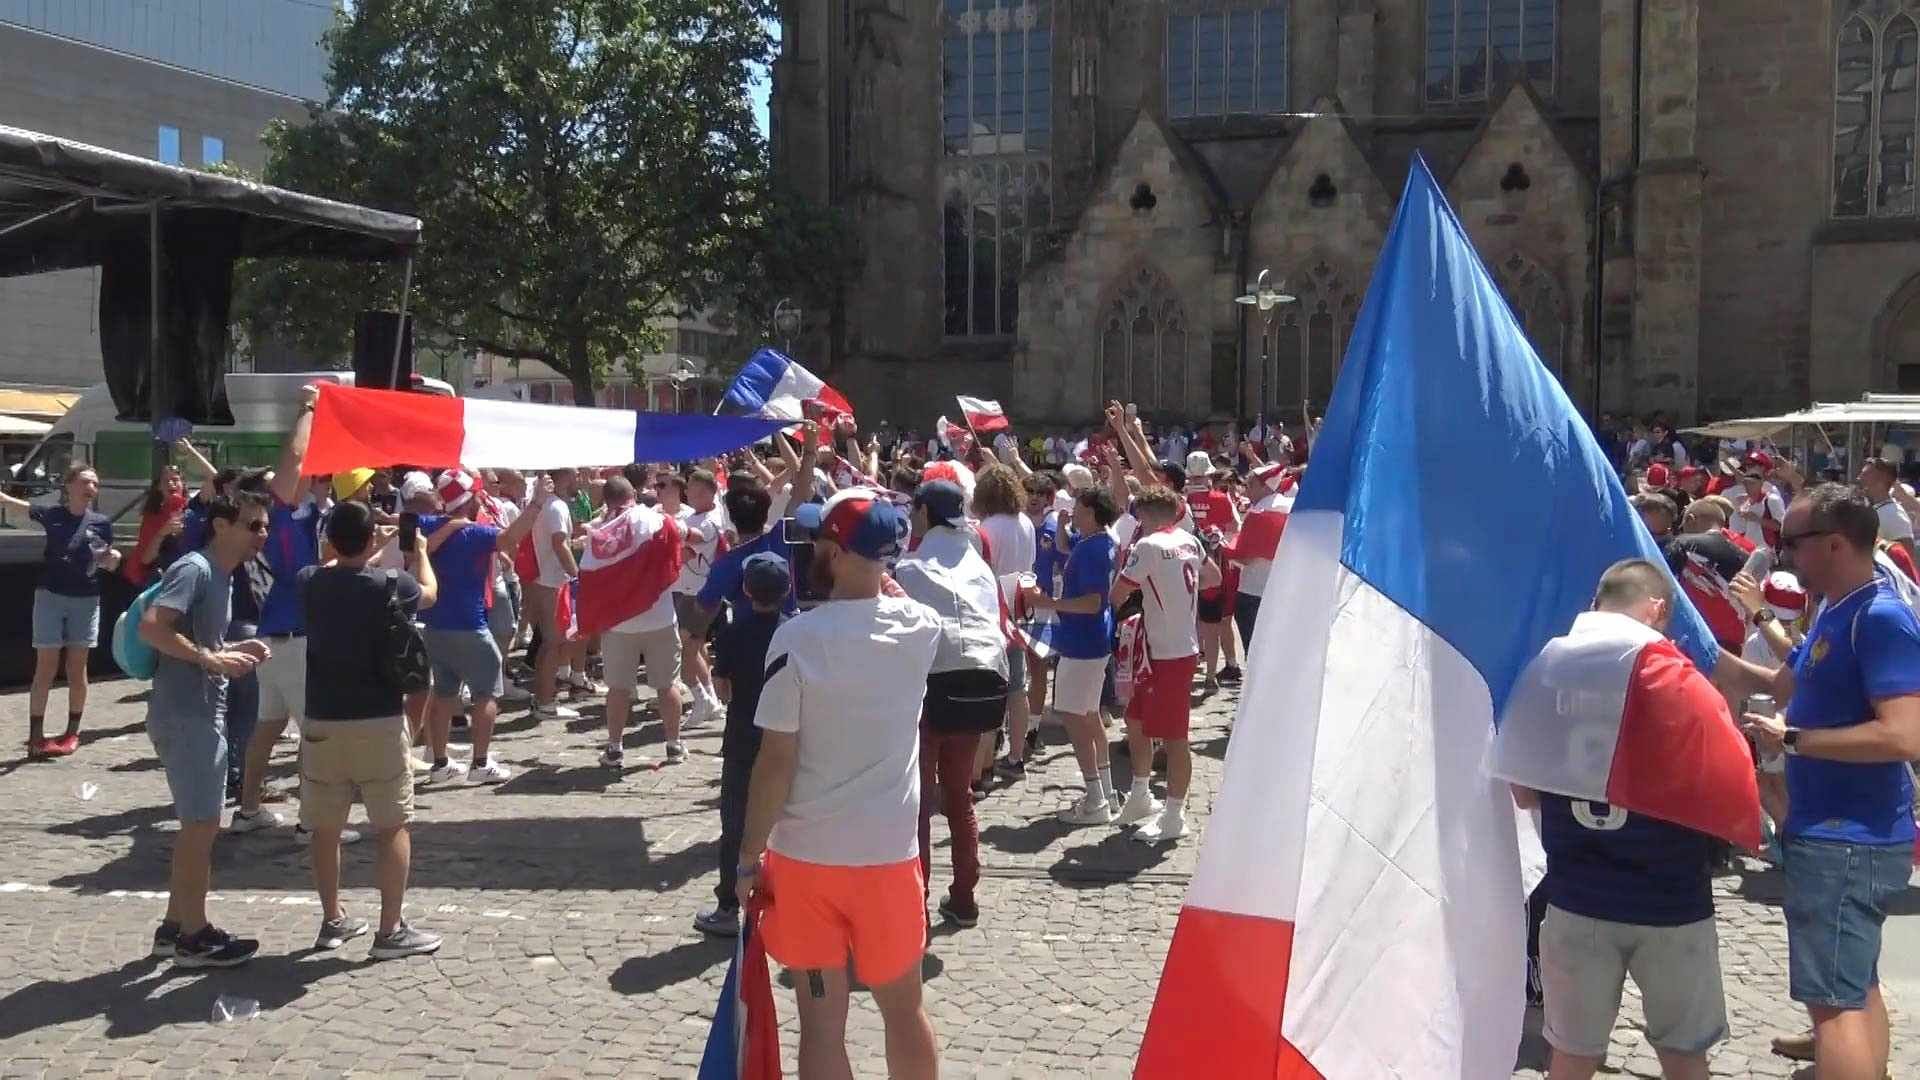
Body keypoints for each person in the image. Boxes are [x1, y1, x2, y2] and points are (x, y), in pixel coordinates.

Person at [736, 488, 942, 1080]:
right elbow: (895, 602)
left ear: (837, 551)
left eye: (825, 540)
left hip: (807, 858)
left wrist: (749, 856)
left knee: (821, 1022)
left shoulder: (797, 639)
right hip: (887, 855)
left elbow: (776, 758)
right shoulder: (921, 628)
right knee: (904, 1011)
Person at [1717, 485, 1920, 1080]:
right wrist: (1710, 657)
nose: (1782, 555)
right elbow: (1786, 687)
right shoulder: (1836, 605)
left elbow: (1905, 736)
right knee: (1855, 987)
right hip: (1837, 832)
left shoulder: (1880, 617)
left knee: (1833, 1008)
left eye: (1792, 543)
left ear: (1834, 544)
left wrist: (1795, 742)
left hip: (1848, 837)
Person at [1509, 559, 1732, 1080]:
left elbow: (1522, 793)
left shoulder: (1549, 670)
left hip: (1578, 896)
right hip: (1671, 901)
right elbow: (1721, 791)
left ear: (1596, 605)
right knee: (1683, 1056)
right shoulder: (1681, 679)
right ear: (1656, 609)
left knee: (1571, 1056)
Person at [297, 499, 446, 959]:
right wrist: (415, 549)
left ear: (329, 540)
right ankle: (390, 930)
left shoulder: (310, 583)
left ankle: (332, 920)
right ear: (367, 540)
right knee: (392, 825)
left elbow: (331, 564)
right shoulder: (391, 583)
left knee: (325, 827)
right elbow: (429, 592)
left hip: (323, 717)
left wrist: (362, 540)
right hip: (379, 717)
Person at [137, 491, 271, 966]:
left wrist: (240, 646)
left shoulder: (223, 575)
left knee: (200, 824)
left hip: (198, 709)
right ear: (221, 525)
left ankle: (175, 926)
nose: (263, 533)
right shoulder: (195, 568)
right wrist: (209, 658)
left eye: (264, 525)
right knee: (201, 826)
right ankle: (194, 937)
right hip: (187, 713)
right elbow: (153, 627)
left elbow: (199, 636)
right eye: (253, 525)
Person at [895, 479, 1009, 929]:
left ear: (923, 513)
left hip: (933, 688)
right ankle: (964, 896)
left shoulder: (911, 570)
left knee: (921, 801)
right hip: (984, 684)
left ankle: (915, 901)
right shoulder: (979, 565)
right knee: (960, 796)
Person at [232, 389, 324, 834]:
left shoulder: (266, 526)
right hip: (293, 640)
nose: (302, 477)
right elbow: (296, 456)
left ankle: (249, 809)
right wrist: (307, 407)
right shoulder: (278, 516)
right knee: (317, 731)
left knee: (267, 729)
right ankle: (313, 819)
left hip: (274, 638)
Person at [1109, 484, 1220, 842]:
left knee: (1175, 736)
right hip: (1172, 645)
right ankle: (1141, 794)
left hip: (1169, 651)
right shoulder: (1190, 540)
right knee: (1136, 718)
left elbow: (1118, 593)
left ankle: (1174, 814)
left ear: (1143, 515)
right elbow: (1213, 579)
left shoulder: (1148, 545)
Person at [419, 469, 541, 784]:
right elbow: (510, 538)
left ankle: (440, 763)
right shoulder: (475, 533)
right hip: (471, 625)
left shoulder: (429, 525)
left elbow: (416, 542)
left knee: (444, 695)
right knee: (486, 694)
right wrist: (536, 505)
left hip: (434, 626)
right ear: (470, 498)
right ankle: (480, 763)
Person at [694, 553, 793, 938]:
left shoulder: (732, 633)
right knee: (787, 820)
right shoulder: (796, 632)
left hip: (743, 737)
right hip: (786, 737)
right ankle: (787, 900)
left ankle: (727, 905)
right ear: (787, 590)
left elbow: (723, 688)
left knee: (735, 823)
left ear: (747, 590)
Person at [0, 464, 119, 758]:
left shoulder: (102, 522)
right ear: (69, 486)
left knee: (77, 668)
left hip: (86, 599)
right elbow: (16, 504)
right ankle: (36, 736)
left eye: (95, 483)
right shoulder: (53, 515)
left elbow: (108, 562)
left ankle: (71, 732)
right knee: (46, 666)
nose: (91, 488)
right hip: (50, 596)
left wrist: (112, 558)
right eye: (86, 482)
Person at [1023, 486, 1122, 825]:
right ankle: (1106, 792)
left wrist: (1048, 603)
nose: (1074, 512)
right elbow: (1068, 549)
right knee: (1090, 714)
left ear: (1092, 512)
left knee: (1072, 715)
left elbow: (1093, 601)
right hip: (1093, 639)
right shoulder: (1103, 541)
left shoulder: (1094, 549)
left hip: (1082, 641)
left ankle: (1095, 798)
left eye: (1079, 509)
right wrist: (1065, 527)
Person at [594, 477, 690, 765]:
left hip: (620, 621)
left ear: (606, 500)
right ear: (633, 494)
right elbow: (686, 532)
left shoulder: (600, 531)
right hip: (659, 616)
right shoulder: (657, 519)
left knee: (618, 688)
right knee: (667, 685)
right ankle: (674, 745)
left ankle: (614, 748)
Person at [971, 464, 1035, 783]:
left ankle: (984, 763)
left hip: (990, 614)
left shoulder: (986, 528)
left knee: (991, 691)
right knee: (1017, 689)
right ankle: (1016, 755)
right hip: (1017, 611)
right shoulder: (1026, 523)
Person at [665, 468, 728, 725]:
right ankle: (709, 700)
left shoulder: (703, 523)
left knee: (682, 651)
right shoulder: (711, 511)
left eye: (689, 488)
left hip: (697, 595)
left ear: (702, 493)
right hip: (694, 591)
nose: (685, 492)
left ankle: (702, 700)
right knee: (695, 648)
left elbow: (682, 555)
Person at [526, 468, 584, 720]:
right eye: (575, 475)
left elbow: (558, 542)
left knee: (548, 643)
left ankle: (542, 698)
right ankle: (546, 702)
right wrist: (577, 576)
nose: (579, 479)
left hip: (543, 579)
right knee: (553, 643)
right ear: (564, 478)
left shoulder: (546, 505)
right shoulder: (557, 506)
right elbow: (558, 543)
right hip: (552, 582)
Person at [1858, 457, 1917, 566]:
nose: (1859, 478)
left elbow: (1908, 561)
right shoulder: (1877, 509)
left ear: (1881, 480)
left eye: (1865, 475)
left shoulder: (1894, 515)